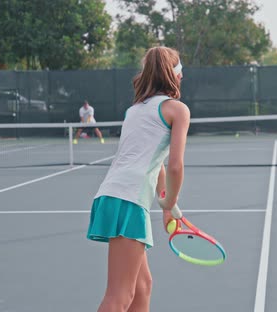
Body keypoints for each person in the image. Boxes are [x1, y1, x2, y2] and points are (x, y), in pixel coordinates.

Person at [86, 46, 190, 312]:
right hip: (129, 201)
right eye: (181, 72)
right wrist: (170, 204)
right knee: (119, 296)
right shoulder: (178, 110)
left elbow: (157, 165)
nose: (182, 78)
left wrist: (167, 203)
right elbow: (176, 166)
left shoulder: (135, 110)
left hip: (112, 196)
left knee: (142, 288)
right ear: (174, 75)